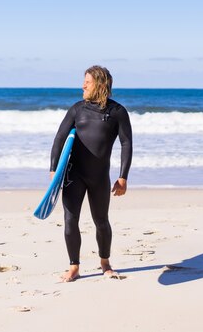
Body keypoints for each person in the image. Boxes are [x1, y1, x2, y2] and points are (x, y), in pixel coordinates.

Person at [50, 65, 133, 282]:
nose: (83, 85)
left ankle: (105, 263)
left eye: (87, 82)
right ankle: (74, 267)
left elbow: (126, 143)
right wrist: (53, 170)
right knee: (70, 220)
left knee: (101, 221)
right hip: (73, 175)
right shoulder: (77, 109)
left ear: (100, 84)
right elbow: (59, 139)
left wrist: (123, 176)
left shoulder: (117, 112)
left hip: (99, 177)